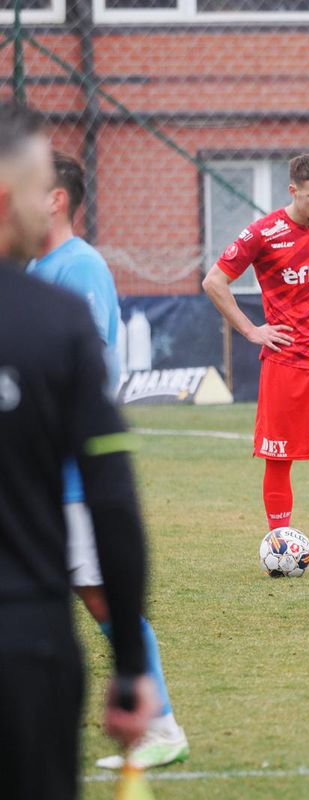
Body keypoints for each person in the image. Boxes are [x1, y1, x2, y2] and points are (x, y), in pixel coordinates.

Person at [0, 102, 156, 800]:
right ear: (9, 201)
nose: (52, 208)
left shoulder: (72, 285)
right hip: (25, 642)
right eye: (42, 193)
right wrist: (128, 669)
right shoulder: (54, 323)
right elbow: (114, 501)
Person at [27, 152, 188, 768]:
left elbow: (88, 370)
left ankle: (161, 724)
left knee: (98, 598)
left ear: (57, 199)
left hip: (69, 476)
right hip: (35, 477)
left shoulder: (80, 266)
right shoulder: (36, 265)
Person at [202, 154, 309, 575]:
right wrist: (251, 330)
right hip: (285, 365)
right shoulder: (264, 233)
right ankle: (280, 545)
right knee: (278, 458)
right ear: (293, 190)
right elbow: (214, 281)